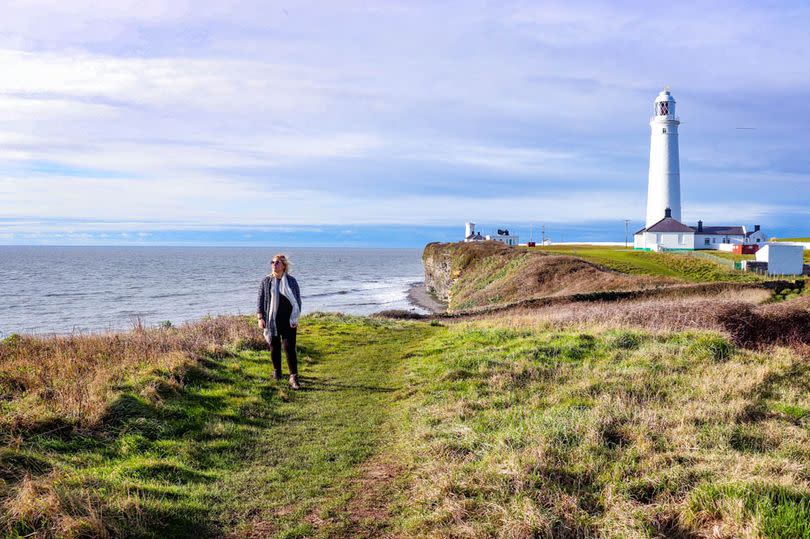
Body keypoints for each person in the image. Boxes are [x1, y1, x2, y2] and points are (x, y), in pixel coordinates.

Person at [256, 253, 302, 389]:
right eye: (272, 262)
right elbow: (260, 300)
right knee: (274, 347)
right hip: (272, 320)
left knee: (289, 348)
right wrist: (260, 317)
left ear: (284, 265)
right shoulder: (266, 281)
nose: (274, 265)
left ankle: (293, 377)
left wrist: (295, 317)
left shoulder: (292, 281)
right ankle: (277, 372)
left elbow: (297, 300)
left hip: (288, 320)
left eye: (277, 262)